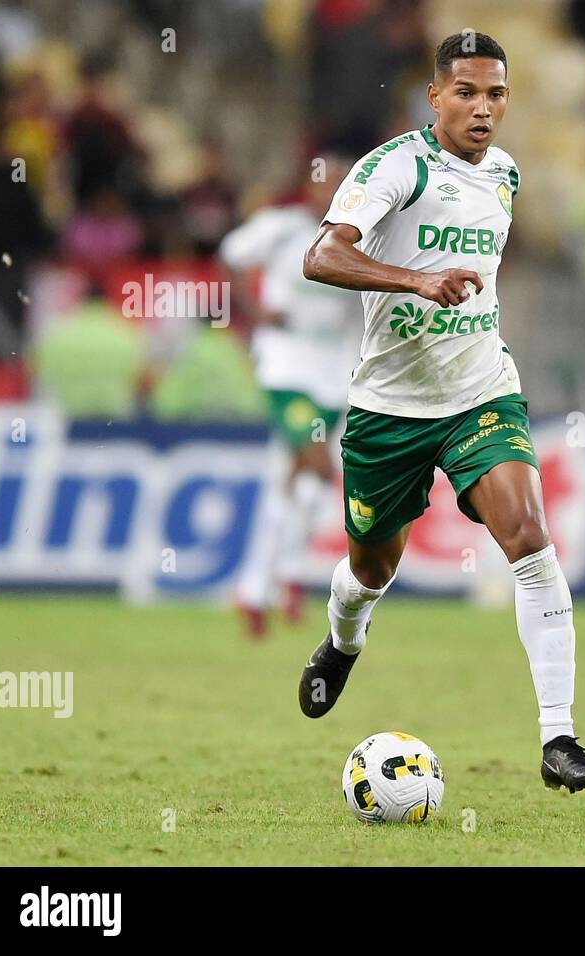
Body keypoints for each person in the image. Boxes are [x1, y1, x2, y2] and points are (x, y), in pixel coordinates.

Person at [297, 32, 585, 794]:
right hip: (388, 408)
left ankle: (559, 738)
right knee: (371, 569)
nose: (481, 107)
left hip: (480, 391)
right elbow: (321, 255)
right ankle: (344, 639)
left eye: (495, 94)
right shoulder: (395, 167)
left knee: (532, 541)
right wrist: (414, 280)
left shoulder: (505, 174)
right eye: (465, 92)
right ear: (433, 96)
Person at [220, 156, 361, 638]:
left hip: (335, 369)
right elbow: (230, 256)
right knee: (317, 463)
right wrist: (255, 311)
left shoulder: (361, 239)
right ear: (309, 187)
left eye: (343, 185)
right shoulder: (280, 228)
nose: (333, 191)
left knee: (298, 479)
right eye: (327, 182)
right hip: (285, 363)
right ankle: (276, 579)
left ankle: (263, 586)